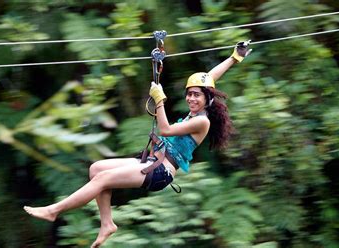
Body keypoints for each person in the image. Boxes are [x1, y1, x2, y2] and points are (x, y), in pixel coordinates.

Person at [23, 40, 252, 248]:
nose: (191, 98)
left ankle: (54, 210)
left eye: (196, 96)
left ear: (207, 99)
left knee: (103, 179)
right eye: (189, 94)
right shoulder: (197, 111)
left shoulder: (202, 122)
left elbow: (166, 130)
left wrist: (160, 99)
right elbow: (210, 77)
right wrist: (234, 57)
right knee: (97, 169)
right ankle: (107, 224)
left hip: (162, 171)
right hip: (153, 160)